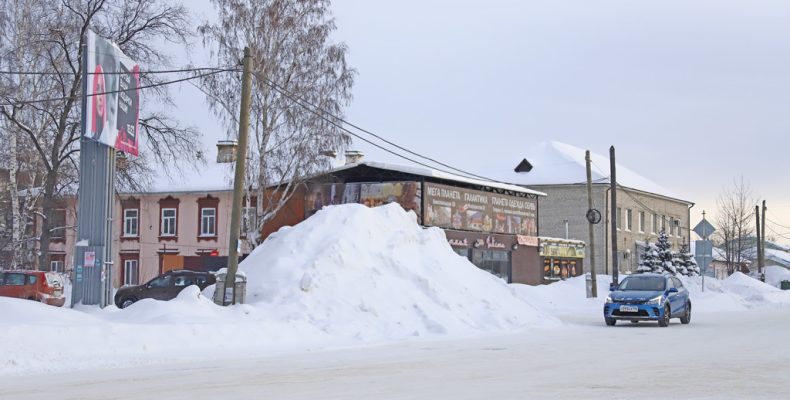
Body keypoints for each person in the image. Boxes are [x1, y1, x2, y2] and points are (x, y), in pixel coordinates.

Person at [91, 65, 107, 140]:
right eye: (97, 88)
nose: (101, 97)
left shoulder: (107, 136)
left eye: (102, 89)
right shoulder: (89, 132)